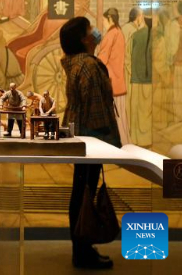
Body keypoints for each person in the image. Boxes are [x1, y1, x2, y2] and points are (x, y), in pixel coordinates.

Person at [60, 16, 121, 269]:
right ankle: (83, 251)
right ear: (84, 39)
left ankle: (81, 247)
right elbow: (97, 108)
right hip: (91, 138)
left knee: (80, 192)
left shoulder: (77, 64)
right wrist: (107, 142)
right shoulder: (88, 66)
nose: (95, 32)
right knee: (84, 193)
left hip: (79, 134)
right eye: (90, 30)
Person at [97, 8, 130, 145]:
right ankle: (123, 142)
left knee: (114, 115)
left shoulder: (111, 34)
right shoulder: (119, 33)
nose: (103, 23)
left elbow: (102, 59)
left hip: (111, 81)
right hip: (118, 79)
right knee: (120, 115)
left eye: (104, 20)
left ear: (110, 19)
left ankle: (118, 143)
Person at [128, 9, 152, 146]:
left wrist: (130, 72)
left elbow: (127, 57)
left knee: (136, 112)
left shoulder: (135, 36)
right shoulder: (157, 37)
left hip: (136, 79)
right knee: (146, 113)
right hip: (149, 80)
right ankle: (146, 140)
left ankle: (136, 141)